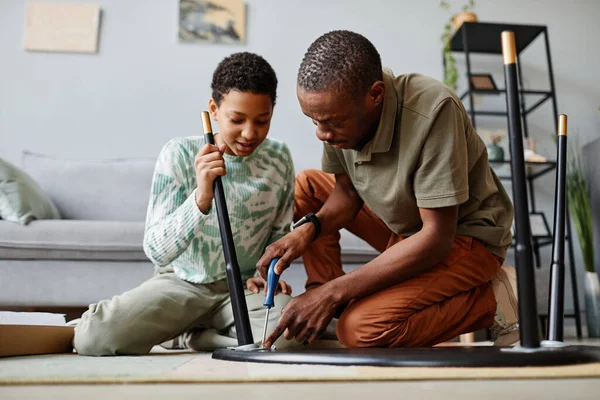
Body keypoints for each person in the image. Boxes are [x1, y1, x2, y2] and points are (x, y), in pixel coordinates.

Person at [257, 30, 519, 348]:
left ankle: (495, 298)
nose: (322, 134)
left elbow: (437, 237)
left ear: (376, 94)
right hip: (406, 228)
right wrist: (309, 230)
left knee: (360, 331)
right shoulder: (336, 119)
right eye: (314, 121)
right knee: (311, 186)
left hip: (463, 238)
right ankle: (325, 307)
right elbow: (347, 194)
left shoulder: (433, 111)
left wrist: (336, 289)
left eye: (332, 122)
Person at [74, 52, 297, 355]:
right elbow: (156, 249)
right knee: (93, 339)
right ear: (213, 110)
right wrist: (201, 197)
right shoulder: (178, 154)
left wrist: (267, 272)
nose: (249, 133)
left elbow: (278, 232)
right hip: (182, 284)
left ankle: (194, 337)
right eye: (236, 119)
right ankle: (199, 330)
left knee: (288, 335)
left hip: (244, 290)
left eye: (262, 120)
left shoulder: (279, 158)